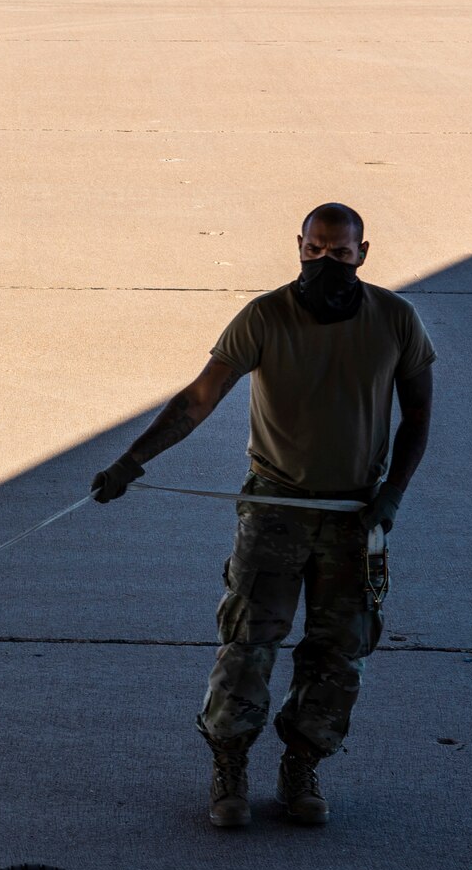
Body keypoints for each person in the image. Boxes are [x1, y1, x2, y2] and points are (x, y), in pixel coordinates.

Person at [90, 203, 434, 828]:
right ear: (298, 246)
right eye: (316, 250)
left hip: (355, 515)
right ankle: (230, 768)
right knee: (248, 646)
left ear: (364, 252)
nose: (327, 263)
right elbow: (199, 398)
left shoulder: (397, 319)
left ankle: (302, 765)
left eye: (341, 252)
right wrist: (131, 462)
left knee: (339, 652)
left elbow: (418, 417)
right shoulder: (264, 317)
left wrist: (391, 496)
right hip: (276, 508)